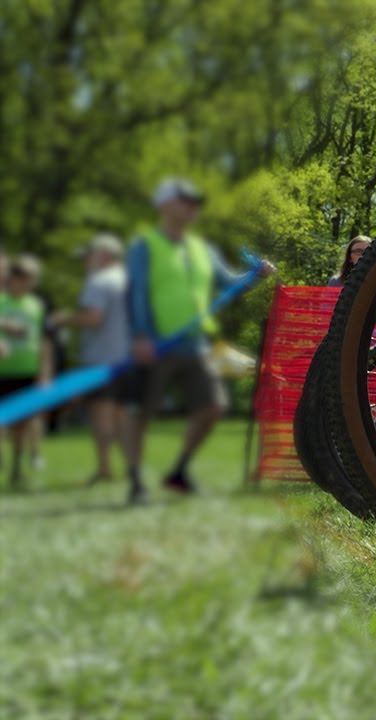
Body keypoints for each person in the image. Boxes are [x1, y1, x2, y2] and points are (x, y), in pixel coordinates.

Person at [121, 178, 275, 504]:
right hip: (156, 346)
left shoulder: (204, 250)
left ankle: (178, 471)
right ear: (164, 205)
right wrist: (140, 336)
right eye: (183, 200)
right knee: (141, 412)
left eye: (194, 202)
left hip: (196, 345)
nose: (192, 207)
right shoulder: (145, 246)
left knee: (214, 406)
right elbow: (135, 293)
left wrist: (255, 275)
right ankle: (135, 480)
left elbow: (228, 282)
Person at [57, 233, 131, 484]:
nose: (85, 261)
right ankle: (132, 467)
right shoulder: (131, 280)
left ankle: (104, 469)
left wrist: (63, 319)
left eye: (89, 255)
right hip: (128, 359)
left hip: (101, 360)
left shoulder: (98, 281)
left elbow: (93, 318)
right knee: (121, 416)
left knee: (100, 414)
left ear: (105, 256)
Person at [0, 255, 53, 489]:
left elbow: (43, 340)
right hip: (2, 371)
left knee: (22, 422)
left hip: (27, 371)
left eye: (32, 280)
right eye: (23, 279)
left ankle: (17, 467)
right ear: (12, 278)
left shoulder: (37, 305)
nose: (27, 285)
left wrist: (44, 372)